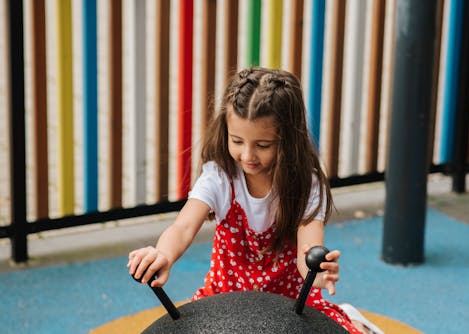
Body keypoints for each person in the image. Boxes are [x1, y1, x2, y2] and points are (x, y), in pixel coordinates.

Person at [128, 67, 378, 334]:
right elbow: (183, 227)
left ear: (287, 141)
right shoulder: (220, 177)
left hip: (290, 303)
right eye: (236, 140)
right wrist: (163, 254)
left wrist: (315, 271)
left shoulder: (305, 183)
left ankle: (352, 318)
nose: (247, 155)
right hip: (224, 299)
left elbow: (309, 249)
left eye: (262, 145)